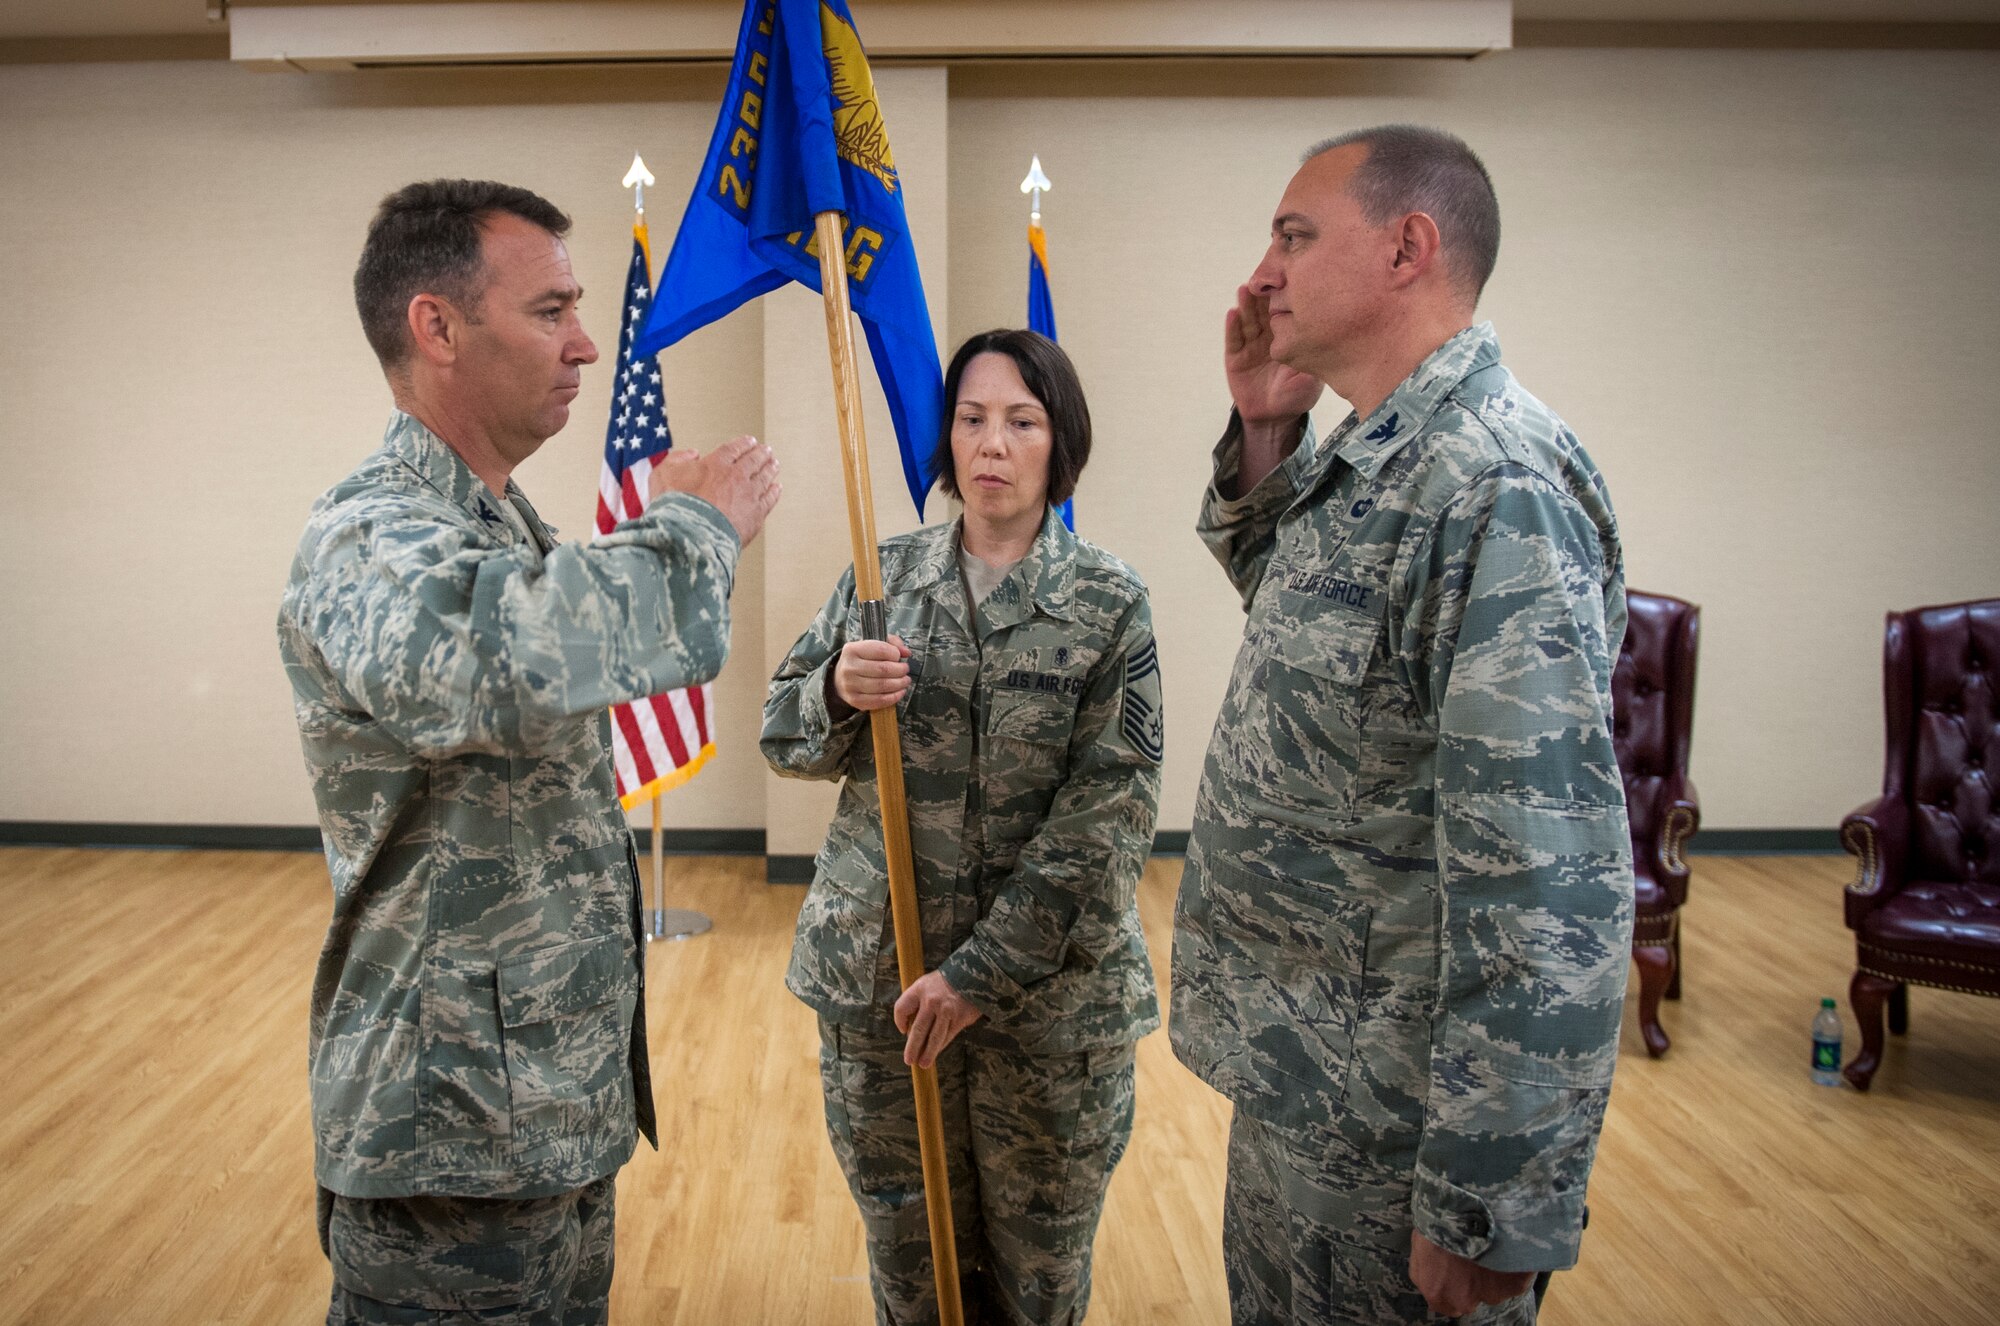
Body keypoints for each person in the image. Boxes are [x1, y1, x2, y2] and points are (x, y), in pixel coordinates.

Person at [277, 178, 780, 1325]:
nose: (587, 344)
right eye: (550, 310)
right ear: (437, 327)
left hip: (537, 1107)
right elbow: (486, 659)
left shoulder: (500, 522)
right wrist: (695, 525)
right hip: (446, 1134)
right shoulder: (372, 528)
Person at [1169, 126, 1632, 1324]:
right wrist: (1268, 428)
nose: (1260, 273)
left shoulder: (1492, 482)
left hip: (1399, 1130)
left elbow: (1545, 874)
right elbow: (1300, 609)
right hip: (1300, 1076)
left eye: (1292, 236)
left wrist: (1490, 1197)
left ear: (1406, 248)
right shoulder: (1377, 455)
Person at [763, 329, 1164, 1325]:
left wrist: (979, 975)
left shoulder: (1108, 605)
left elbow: (1108, 817)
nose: (991, 443)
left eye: (1020, 421)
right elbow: (784, 738)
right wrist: (835, 690)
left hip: (1047, 1013)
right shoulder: (878, 579)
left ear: (1056, 442)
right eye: (971, 418)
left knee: (1038, 1276)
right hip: (884, 990)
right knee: (908, 1264)